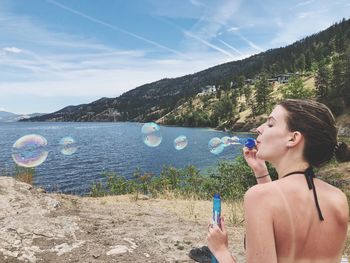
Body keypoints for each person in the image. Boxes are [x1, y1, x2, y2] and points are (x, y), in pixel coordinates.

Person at [206, 99, 349, 263]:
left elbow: (274, 203)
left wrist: (221, 250)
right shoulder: (338, 198)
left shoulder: (259, 197)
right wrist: (261, 171)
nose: (259, 129)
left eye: (270, 124)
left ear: (293, 138)